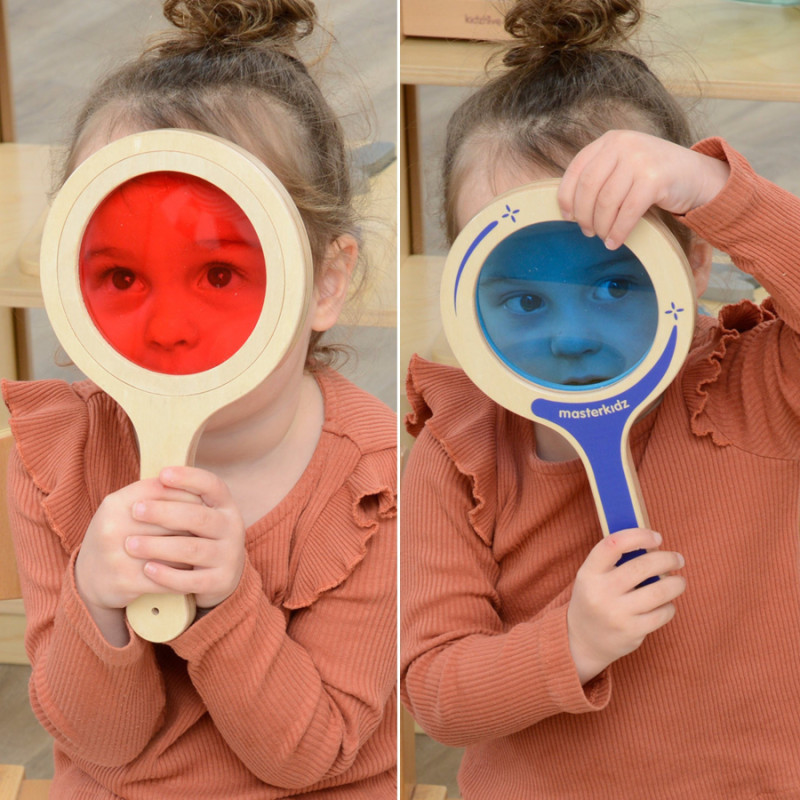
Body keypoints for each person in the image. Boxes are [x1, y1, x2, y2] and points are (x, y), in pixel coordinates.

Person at [400, 0, 800, 797]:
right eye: (524, 300)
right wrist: (571, 642)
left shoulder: (761, 384)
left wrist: (713, 187)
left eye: (615, 285)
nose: (571, 336)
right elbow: (436, 694)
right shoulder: (458, 448)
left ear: (693, 265)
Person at [3, 1, 396, 798]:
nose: (169, 328)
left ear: (325, 281)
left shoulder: (377, 483)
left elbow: (312, 755)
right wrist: (95, 601)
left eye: (219, 274)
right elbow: (96, 744)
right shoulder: (54, 457)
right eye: (122, 275)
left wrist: (227, 602)